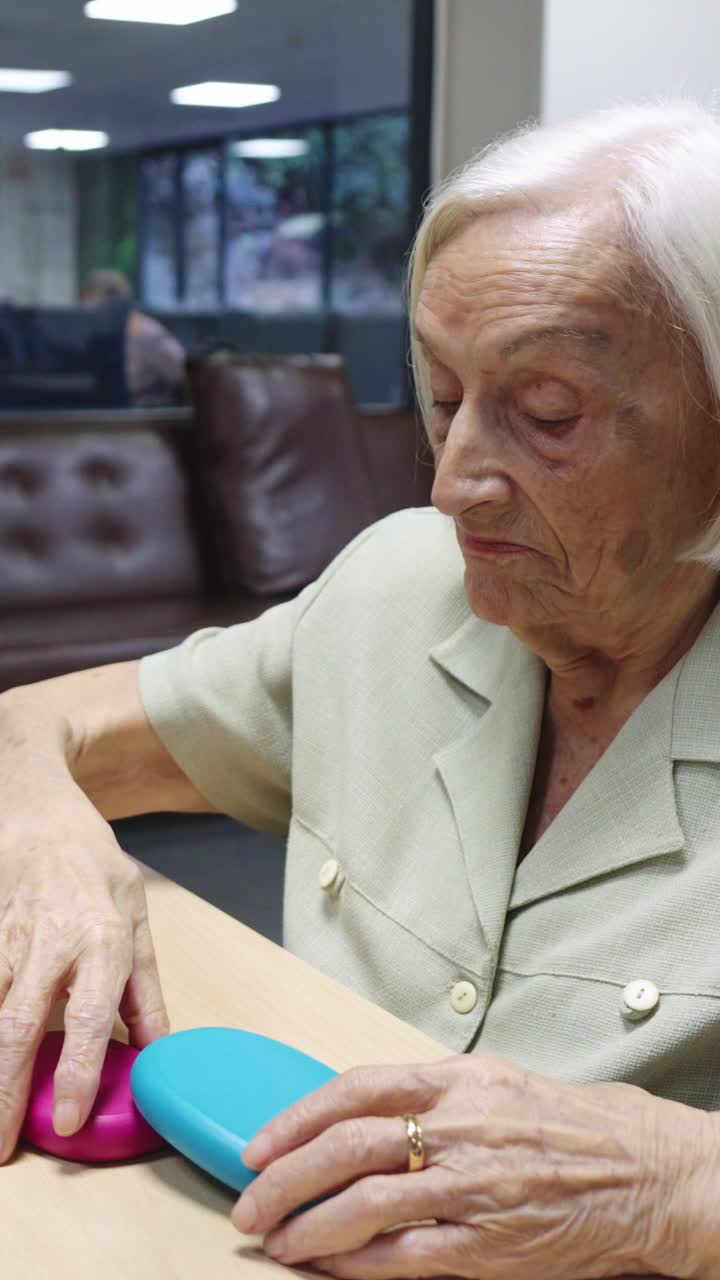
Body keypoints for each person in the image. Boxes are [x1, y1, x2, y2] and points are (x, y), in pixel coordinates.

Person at [3, 99, 720, 1277]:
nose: (453, 484)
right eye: (442, 394)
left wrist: (676, 1183)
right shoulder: (399, 586)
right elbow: (34, 727)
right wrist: (46, 833)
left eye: (548, 414)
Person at [79, 269, 186, 406]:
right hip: (112, 410)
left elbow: (184, 376)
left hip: (148, 412)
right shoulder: (101, 338)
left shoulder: (147, 333)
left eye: (92, 302)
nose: (87, 311)